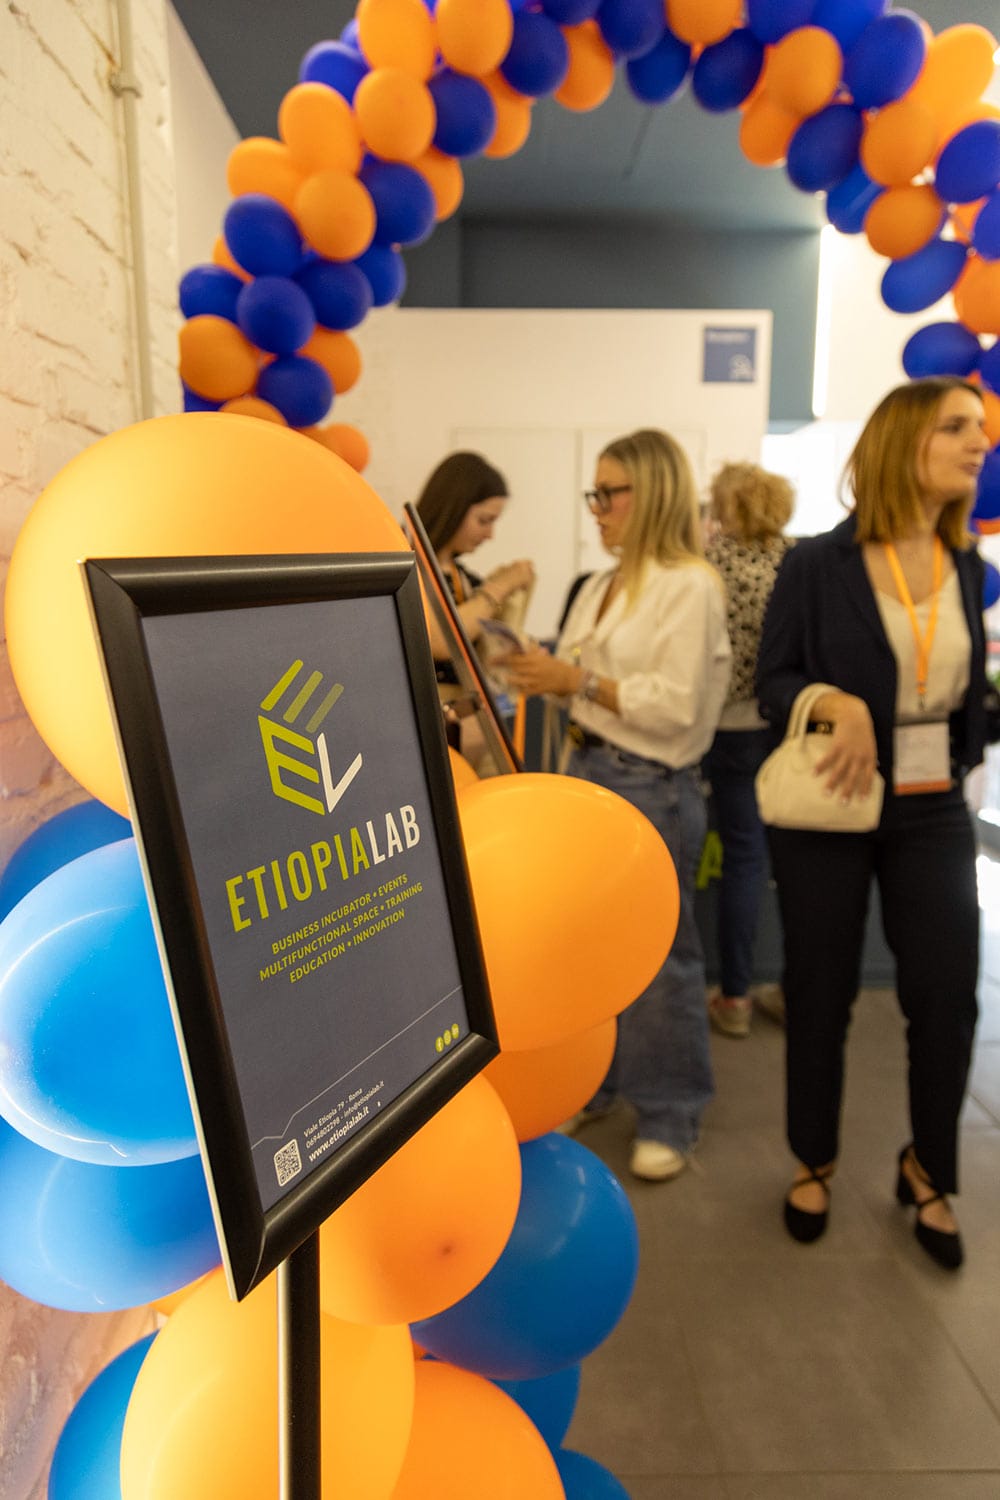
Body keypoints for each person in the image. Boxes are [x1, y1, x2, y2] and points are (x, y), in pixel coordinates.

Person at [755, 376, 992, 1269]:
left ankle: (928, 1166)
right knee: (821, 989)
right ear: (903, 443)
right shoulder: (818, 563)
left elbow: (958, 691)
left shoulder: (965, 563)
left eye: (981, 429)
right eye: (957, 427)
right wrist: (834, 700)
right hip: (835, 799)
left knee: (947, 992)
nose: (980, 443)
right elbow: (771, 680)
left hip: (934, 806)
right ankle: (812, 1159)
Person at [503, 428, 731, 1181]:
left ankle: (670, 1109)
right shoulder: (602, 584)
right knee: (586, 949)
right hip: (589, 770)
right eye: (594, 494)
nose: (597, 509)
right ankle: (596, 1081)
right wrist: (535, 670)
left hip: (650, 782)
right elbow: (580, 677)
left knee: (660, 958)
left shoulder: (689, 584)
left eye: (609, 494)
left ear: (653, 493)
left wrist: (575, 682)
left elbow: (673, 706)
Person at [703, 462, 795, 1038]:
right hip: (789, 727)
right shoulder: (799, 561)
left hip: (730, 731)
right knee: (795, 860)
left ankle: (734, 996)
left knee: (742, 857)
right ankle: (793, 989)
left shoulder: (711, 565)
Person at [415, 452, 535, 766]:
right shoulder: (407, 563)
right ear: (452, 508)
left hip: (467, 732)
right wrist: (501, 586)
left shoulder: (466, 579)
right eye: (484, 520)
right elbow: (441, 640)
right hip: (426, 727)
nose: (490, 534)